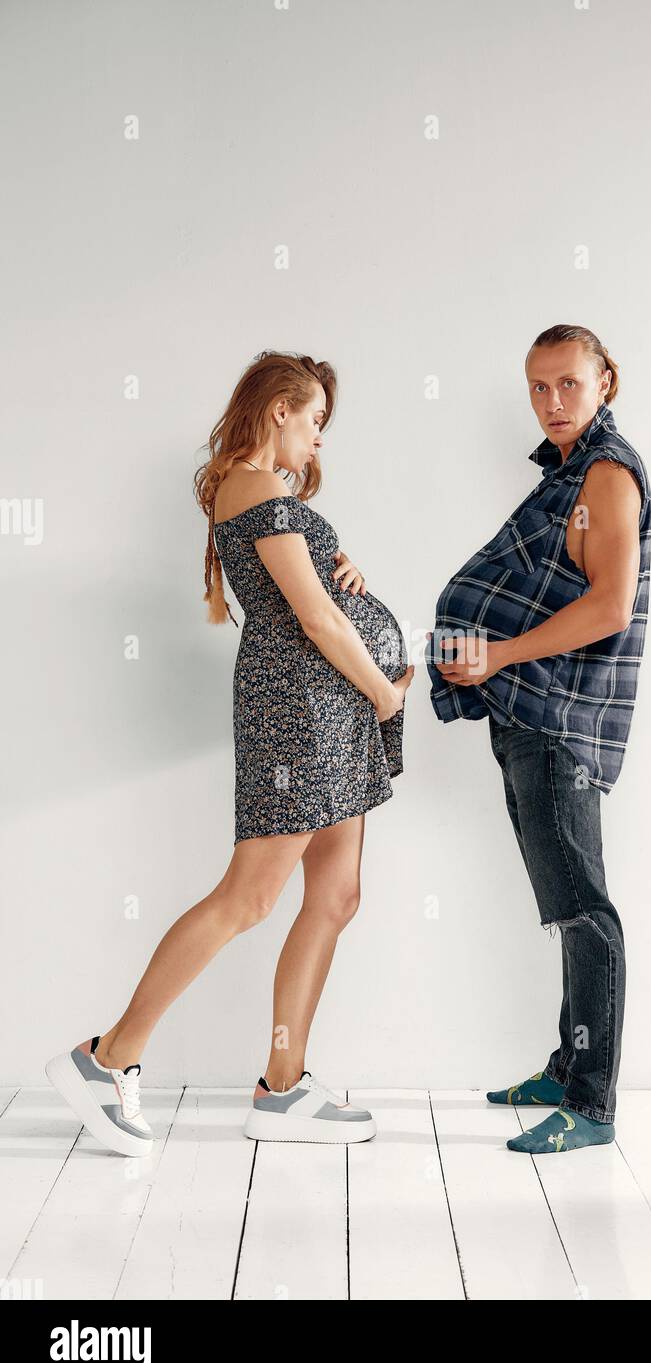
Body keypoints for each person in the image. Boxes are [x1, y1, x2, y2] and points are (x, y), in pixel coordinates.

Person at [45, 350, 414, 1155]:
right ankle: (108, 1059)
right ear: (279, 407)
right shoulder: (253, 485)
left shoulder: (272, 496)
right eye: (315, 420)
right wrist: (386, 692)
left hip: (332, 711)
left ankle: (282, 1089)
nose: (319, 441)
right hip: (300, 715)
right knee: (249, 896)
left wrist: (347, 569)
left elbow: (319, 597)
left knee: (338, 895)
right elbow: (314, 621)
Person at [426, 324, 651, 1156]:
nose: (552, 402)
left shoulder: (608, 474)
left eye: (568, 384)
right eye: (538, 388)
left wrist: (497, 653)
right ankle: (566, 1066)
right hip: (528, 714)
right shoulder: (565, 476)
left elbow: (608, 606)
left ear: (605, 383)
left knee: (585, 911)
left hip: (560, 719)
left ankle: (592, 1105)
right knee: (563, 906)